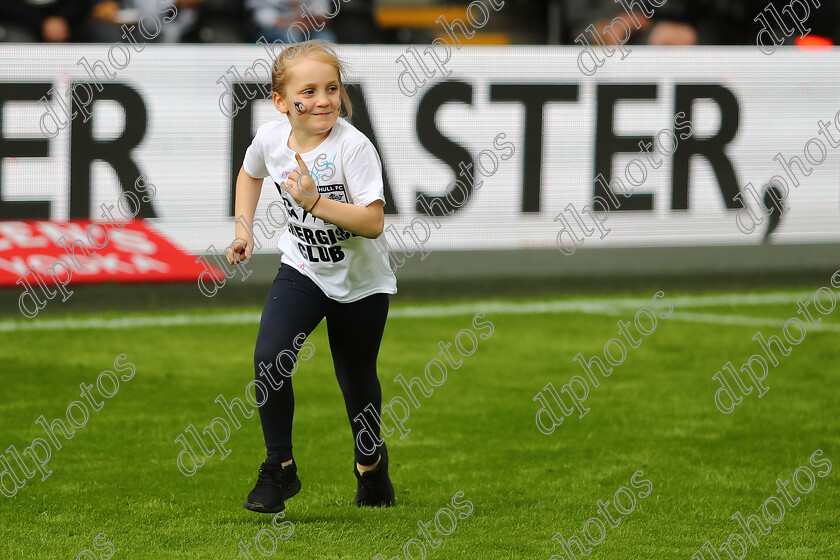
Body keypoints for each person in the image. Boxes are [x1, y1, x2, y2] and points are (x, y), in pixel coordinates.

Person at [227, 39, 397, 513]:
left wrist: (315, 202)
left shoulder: (354, 147)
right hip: (302, 268)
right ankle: (279, 468)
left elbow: (373, 222)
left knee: (356, 379)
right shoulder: (270, 139)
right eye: (309, 90)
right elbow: (249, 173)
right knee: (269, 358)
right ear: (281, 102)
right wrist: (244, 229)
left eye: (332, 89)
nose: (323, 100)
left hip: (360, 282)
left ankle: (370, 464)